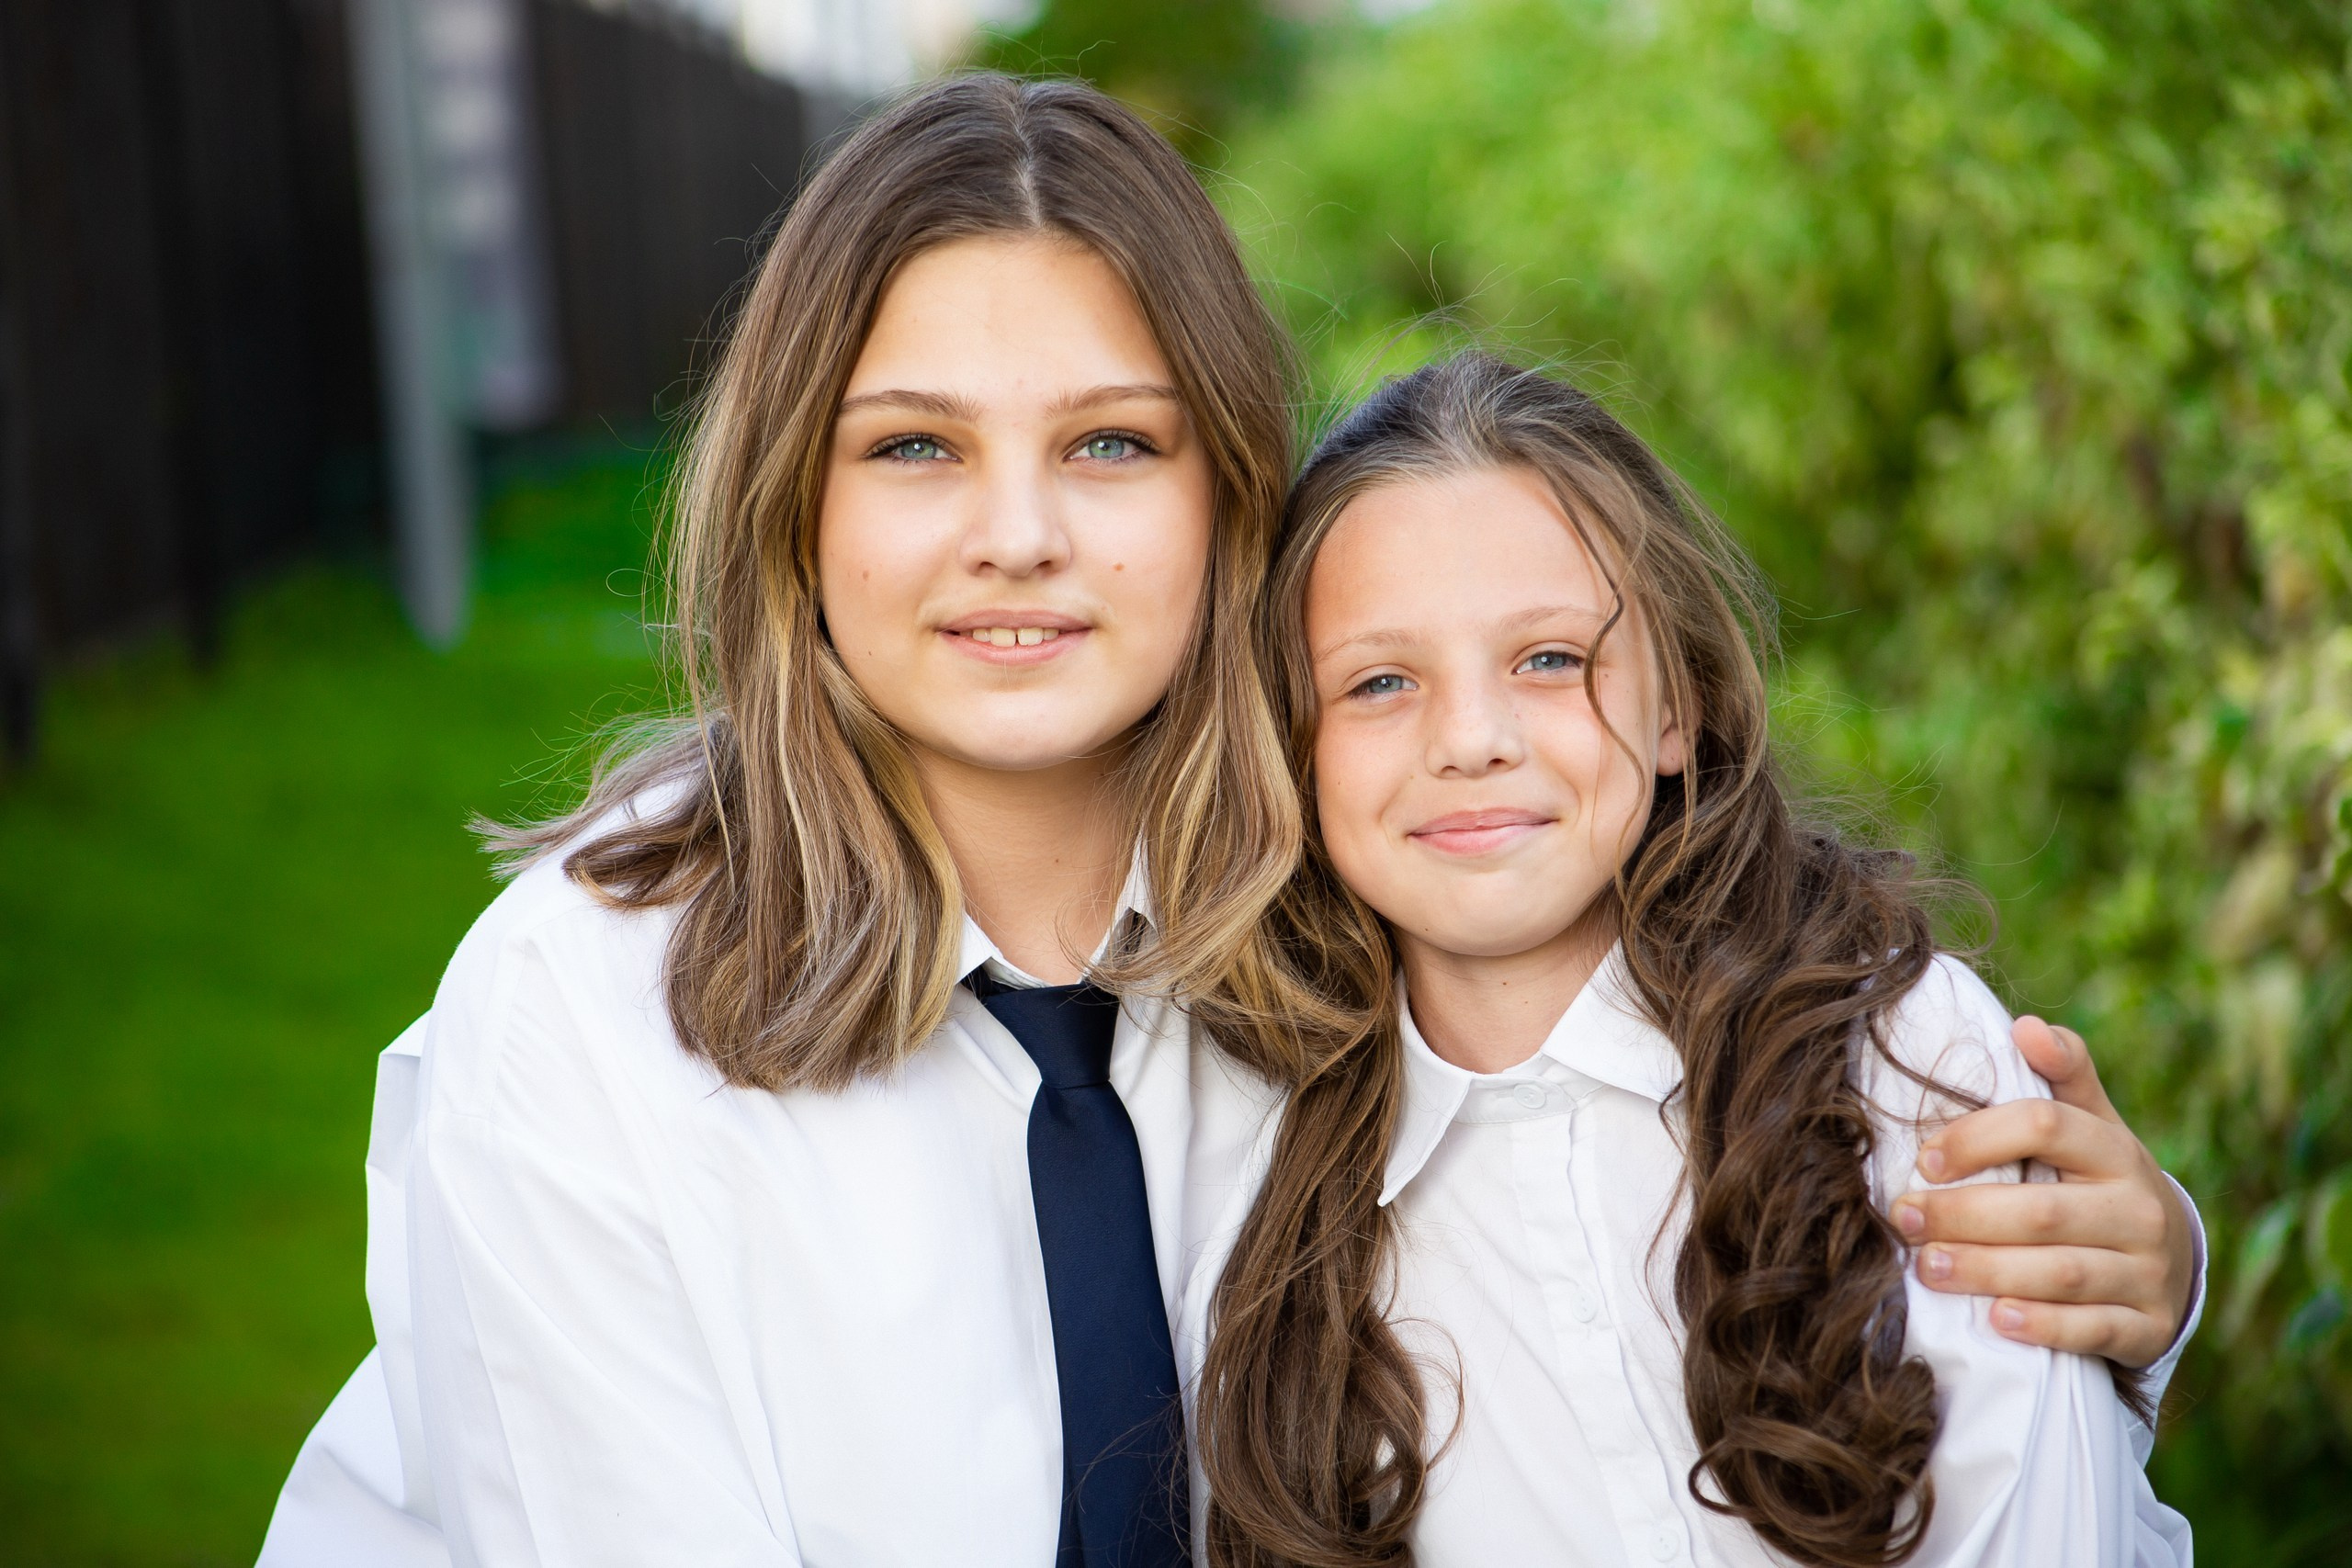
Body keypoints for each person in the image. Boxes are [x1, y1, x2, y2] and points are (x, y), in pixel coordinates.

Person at [261, 78, 2202, 1568]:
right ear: (796, 506)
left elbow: (1658, 1236)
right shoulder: (588, 1024)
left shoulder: (1349, 935)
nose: (1016, 532)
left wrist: (2131, 1282)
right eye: (914, 444)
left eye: (1109, 442)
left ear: (1230, 507)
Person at [1192, 351, 2192, 1566]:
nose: (1470, 739)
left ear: (1680, 707)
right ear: (1288, 750)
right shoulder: (1260, 1187)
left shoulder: (1898, 1053)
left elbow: (2044, 1525)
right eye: (1380, 681)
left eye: (1550, 659)